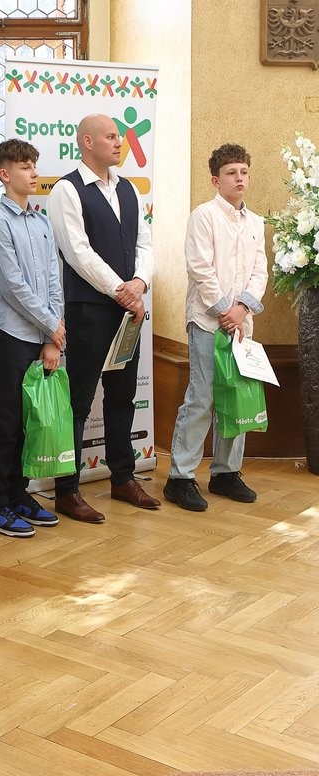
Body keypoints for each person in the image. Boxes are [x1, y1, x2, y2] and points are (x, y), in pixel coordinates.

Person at [48, 114, 160, 522]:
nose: (119, 142)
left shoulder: (129, 188)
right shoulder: (67, 189)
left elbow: (145, 244)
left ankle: (123, 478)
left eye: (120, 136)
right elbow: (77, 252)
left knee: (121, 396)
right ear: (87, 142)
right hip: (89, 310)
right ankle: (67, 490)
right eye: (111, 136)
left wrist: (140, 283)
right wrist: (121, 290)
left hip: (129, 311)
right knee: (78, 402)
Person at [163, 143, 266, 511]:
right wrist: (225, 310)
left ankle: (226, 473)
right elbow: (200, 268)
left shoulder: (255, 223)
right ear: (215, 179)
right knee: (203, 397)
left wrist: (242, 309)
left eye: (244, 172)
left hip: (240, 325)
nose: (239, 178)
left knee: (235, 396)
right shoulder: (203, 216)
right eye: (231, 173)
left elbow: (260, 271)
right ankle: (180, 477)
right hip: (208, 322)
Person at [0, 139, 65, 537]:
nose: (34, 173)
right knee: (7, 421)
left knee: (30, 422)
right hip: (9, 334)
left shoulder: (42, 222)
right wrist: (51, 325)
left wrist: (52, 336)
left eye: (34, 165)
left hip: (40, 334)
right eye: (25, 167)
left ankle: (18, 495)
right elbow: (13, 287)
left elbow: (53, 280)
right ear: (4, 174)